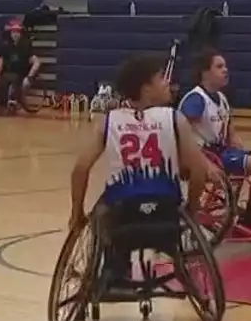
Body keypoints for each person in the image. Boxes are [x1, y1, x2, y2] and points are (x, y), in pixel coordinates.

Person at [66, 54, 224, 284]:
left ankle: (114, 270)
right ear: (146, 89)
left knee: (100, 214)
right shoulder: (174, 118)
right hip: (166, 212)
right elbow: (199, 170)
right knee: (175, 218)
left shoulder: (110, 120)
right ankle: (181, 268)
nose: (168, 82)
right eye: (161, 78)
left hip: (122, 216)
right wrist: (192, 206)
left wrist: (76, 212)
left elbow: (80, 169)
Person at [180, 49, 251, 231]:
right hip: (206, 156)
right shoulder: (196, 99)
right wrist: (202, 162)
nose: (226, 70)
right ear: (205, 72)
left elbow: (230, 129)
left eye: (225, 66)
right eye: (219, 67)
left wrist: (236, 141)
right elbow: (182, 133)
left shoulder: (221, 98)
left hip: (222, 153)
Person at [0, 20, 39, 108]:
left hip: (21, 73)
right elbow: (1, 61)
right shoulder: (6, 45)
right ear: (10, 33)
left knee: (15, 80)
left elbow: (36, 62)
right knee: (0, 81)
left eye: (17, 32)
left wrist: (29, 77)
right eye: (13, 32)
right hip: (7, 73)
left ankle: (16, 100)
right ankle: (1, 102)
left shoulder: (26, 45)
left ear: (20, 33)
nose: (15, 34)